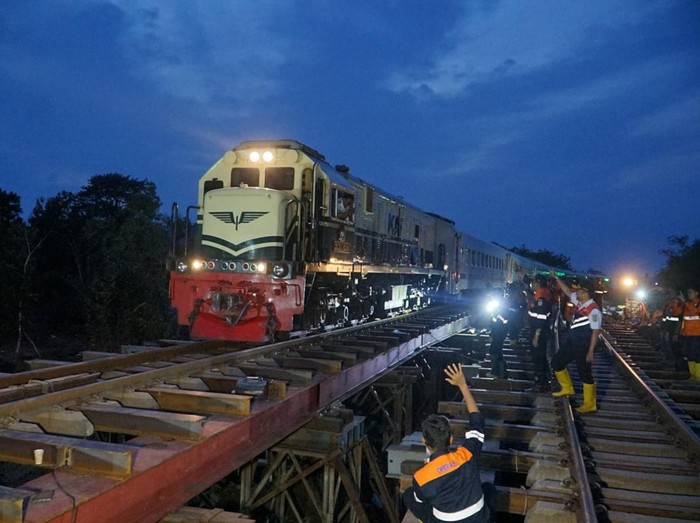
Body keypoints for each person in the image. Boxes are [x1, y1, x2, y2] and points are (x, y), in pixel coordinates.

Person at [402, 364, 491, 523]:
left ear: (424, 441)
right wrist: (463, 385)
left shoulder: (421, 477)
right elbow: (477, 421)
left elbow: (422, 502)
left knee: (410, 495)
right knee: (490, 490)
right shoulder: (467, 454)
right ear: (451, 438)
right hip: (479, 519)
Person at [549, 271, 602, 414]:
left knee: (584, 373)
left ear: (585, 293)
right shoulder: (579, 303)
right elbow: (566, 290)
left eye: (579, 290)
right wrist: (556, 278)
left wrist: (591, 351)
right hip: (572, 342)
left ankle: (590, 404)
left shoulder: (594, 311)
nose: (576, 292)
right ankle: (567, 388)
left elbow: (596, 332)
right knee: (556, 363)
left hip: (584, 346)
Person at [526, 275, 553, 392]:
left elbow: (541, 319)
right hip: (540, 331)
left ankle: (540, 384)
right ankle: (544, 381)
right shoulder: (541, 295)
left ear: (538, 283)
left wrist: (536, 336)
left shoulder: (541, 300)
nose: (531, 284)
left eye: (533, 282)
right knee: (540, 357)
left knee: (538, 357)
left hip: (539, 332)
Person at [681, 287, 700, 380]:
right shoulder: (688, 304)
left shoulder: (698, 304)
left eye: (690, 292)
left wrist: (684, 302)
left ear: (696, 293)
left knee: (696, 354)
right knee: (689, 354)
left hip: (697, 334)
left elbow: (694, 311)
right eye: (688, 292)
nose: (689, 294)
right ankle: (693, 375)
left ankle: (698, 376)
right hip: (688, 334)